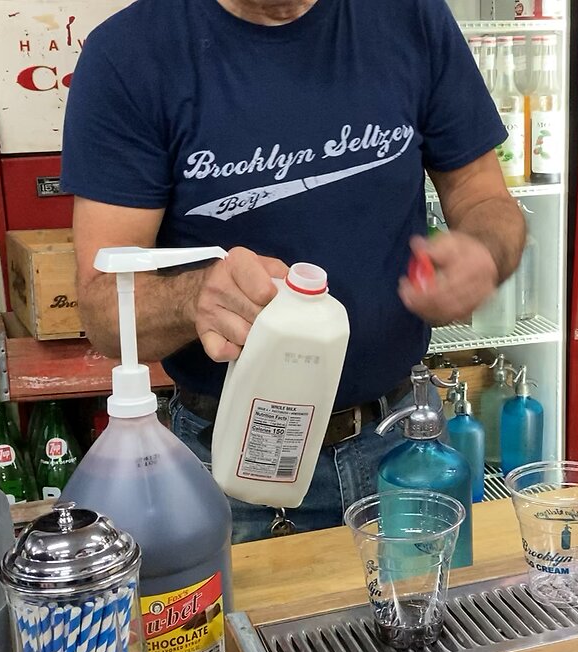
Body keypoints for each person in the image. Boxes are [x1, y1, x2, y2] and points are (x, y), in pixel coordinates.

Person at [62, 0, 525, 542]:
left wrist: (486, 250)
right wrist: (194, 298)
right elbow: (102, 309)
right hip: (236, 466)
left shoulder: (410, 17)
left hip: (404, 445)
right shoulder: (130, 54)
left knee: (425, 628)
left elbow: (482, 194)